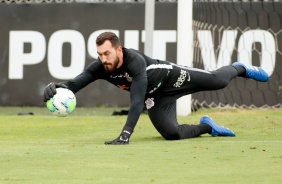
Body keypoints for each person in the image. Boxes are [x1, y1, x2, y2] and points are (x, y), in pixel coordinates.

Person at [43, 32, 269, 145]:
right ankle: (208, 127)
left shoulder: (136, 63)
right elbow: (75, 83)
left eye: (107, 53)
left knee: (217, 81)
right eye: (100, 54)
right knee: (172, 134)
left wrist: (125, 135)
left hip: (174, 77)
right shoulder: (100, 68)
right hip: (156, 96)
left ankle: (239, 67)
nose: (103, 59)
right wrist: (56, 88)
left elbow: (135, 101)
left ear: (119, 50)